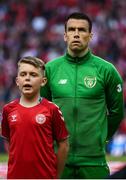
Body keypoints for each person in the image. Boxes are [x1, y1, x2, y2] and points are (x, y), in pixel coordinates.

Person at [40, 12, 124, 179]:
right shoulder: (49, 70)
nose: (76, 34)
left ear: (90, 35)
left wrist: (101, 139)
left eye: (82, 30)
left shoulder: (106, 70)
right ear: (65, 35)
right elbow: (42, 111)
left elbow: (117, 112)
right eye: (71, 29)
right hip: (58, 160)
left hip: (94, 161)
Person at [1, 56, 69, 179]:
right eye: (23, 74)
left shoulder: (52, 109)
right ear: (17, 81)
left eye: (33, 74)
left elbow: (63, 145)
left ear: (43, 81)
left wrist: (56, 176)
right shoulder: (7, 110)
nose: (27, 78)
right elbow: (8, 139)